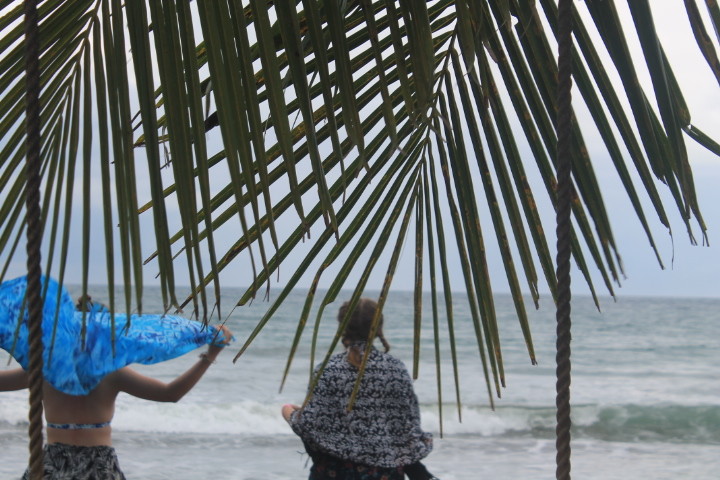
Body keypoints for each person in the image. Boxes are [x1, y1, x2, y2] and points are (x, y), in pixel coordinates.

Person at [0, 276, 233, 480]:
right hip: (99, 466)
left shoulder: (45, 369)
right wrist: (210, 356)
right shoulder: (112, 373)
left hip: (50, 464)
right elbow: (169, 394)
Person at [282, 298, 437, 480]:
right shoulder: (396, 368)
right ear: (379, 328)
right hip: (385, 474)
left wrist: (287, 411)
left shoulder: (327, 369)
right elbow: (407, 427)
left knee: (289, 407)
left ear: (342, 327)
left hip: (334, 473)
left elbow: (311, 426)